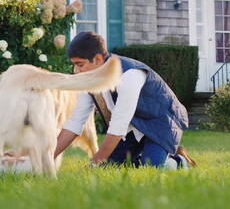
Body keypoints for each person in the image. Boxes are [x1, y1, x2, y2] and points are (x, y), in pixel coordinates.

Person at [54, 31, 197, 169]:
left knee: (148, 169)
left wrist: (94, 162)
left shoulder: (129, 75)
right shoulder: (89, 81)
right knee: (107, 169)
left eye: (80, 64)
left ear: (97, 59)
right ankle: (146, 154)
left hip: (161, 124)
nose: (75, 71)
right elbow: (75, 122)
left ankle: (178, 161)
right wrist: (47, 157)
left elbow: (118, 125)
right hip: (133, 129)